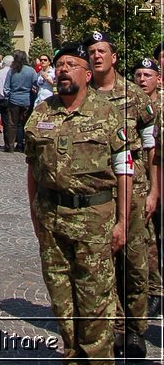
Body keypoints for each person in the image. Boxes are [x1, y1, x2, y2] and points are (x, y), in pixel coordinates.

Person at [25, 42, 133, 362]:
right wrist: (35, 214)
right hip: (52, 218)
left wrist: (123, 221)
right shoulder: (42, 112)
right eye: (59, 65)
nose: (63, 70)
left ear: (87, 74)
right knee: (61, 299)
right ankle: (73, 355)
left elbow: (124, 169)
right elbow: (32, 167)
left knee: (95, 302)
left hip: (93, 219)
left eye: (71, 65)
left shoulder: (109, 113)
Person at [87, 30, 157, 358]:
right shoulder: (83, 97)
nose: (96, 56)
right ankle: (112, 325)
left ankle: (134, 329)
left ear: (114, 57)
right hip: (100, 193)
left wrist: (154, 191)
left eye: (102, 51)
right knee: (104, 264)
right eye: (92, 51)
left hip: (136, 190)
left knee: (134, 262)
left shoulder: (135, 97)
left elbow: (150, 149)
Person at [132, 57, 164, 313]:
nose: (142, 80)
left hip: (156, 179)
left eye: (147, 75)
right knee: (148, 237)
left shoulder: (160, 107)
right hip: (140, 180)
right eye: (138, 75)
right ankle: (152, 289)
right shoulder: (131, 104)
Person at [4, 51, 37, 152]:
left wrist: (8, 96)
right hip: (26, 100)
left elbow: (6, 88)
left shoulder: (12, 70)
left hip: (14, 100)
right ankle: (25, 144)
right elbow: (35, 84)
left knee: (12, 124)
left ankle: (10, 146)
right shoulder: (31, 71)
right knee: (26, 124)